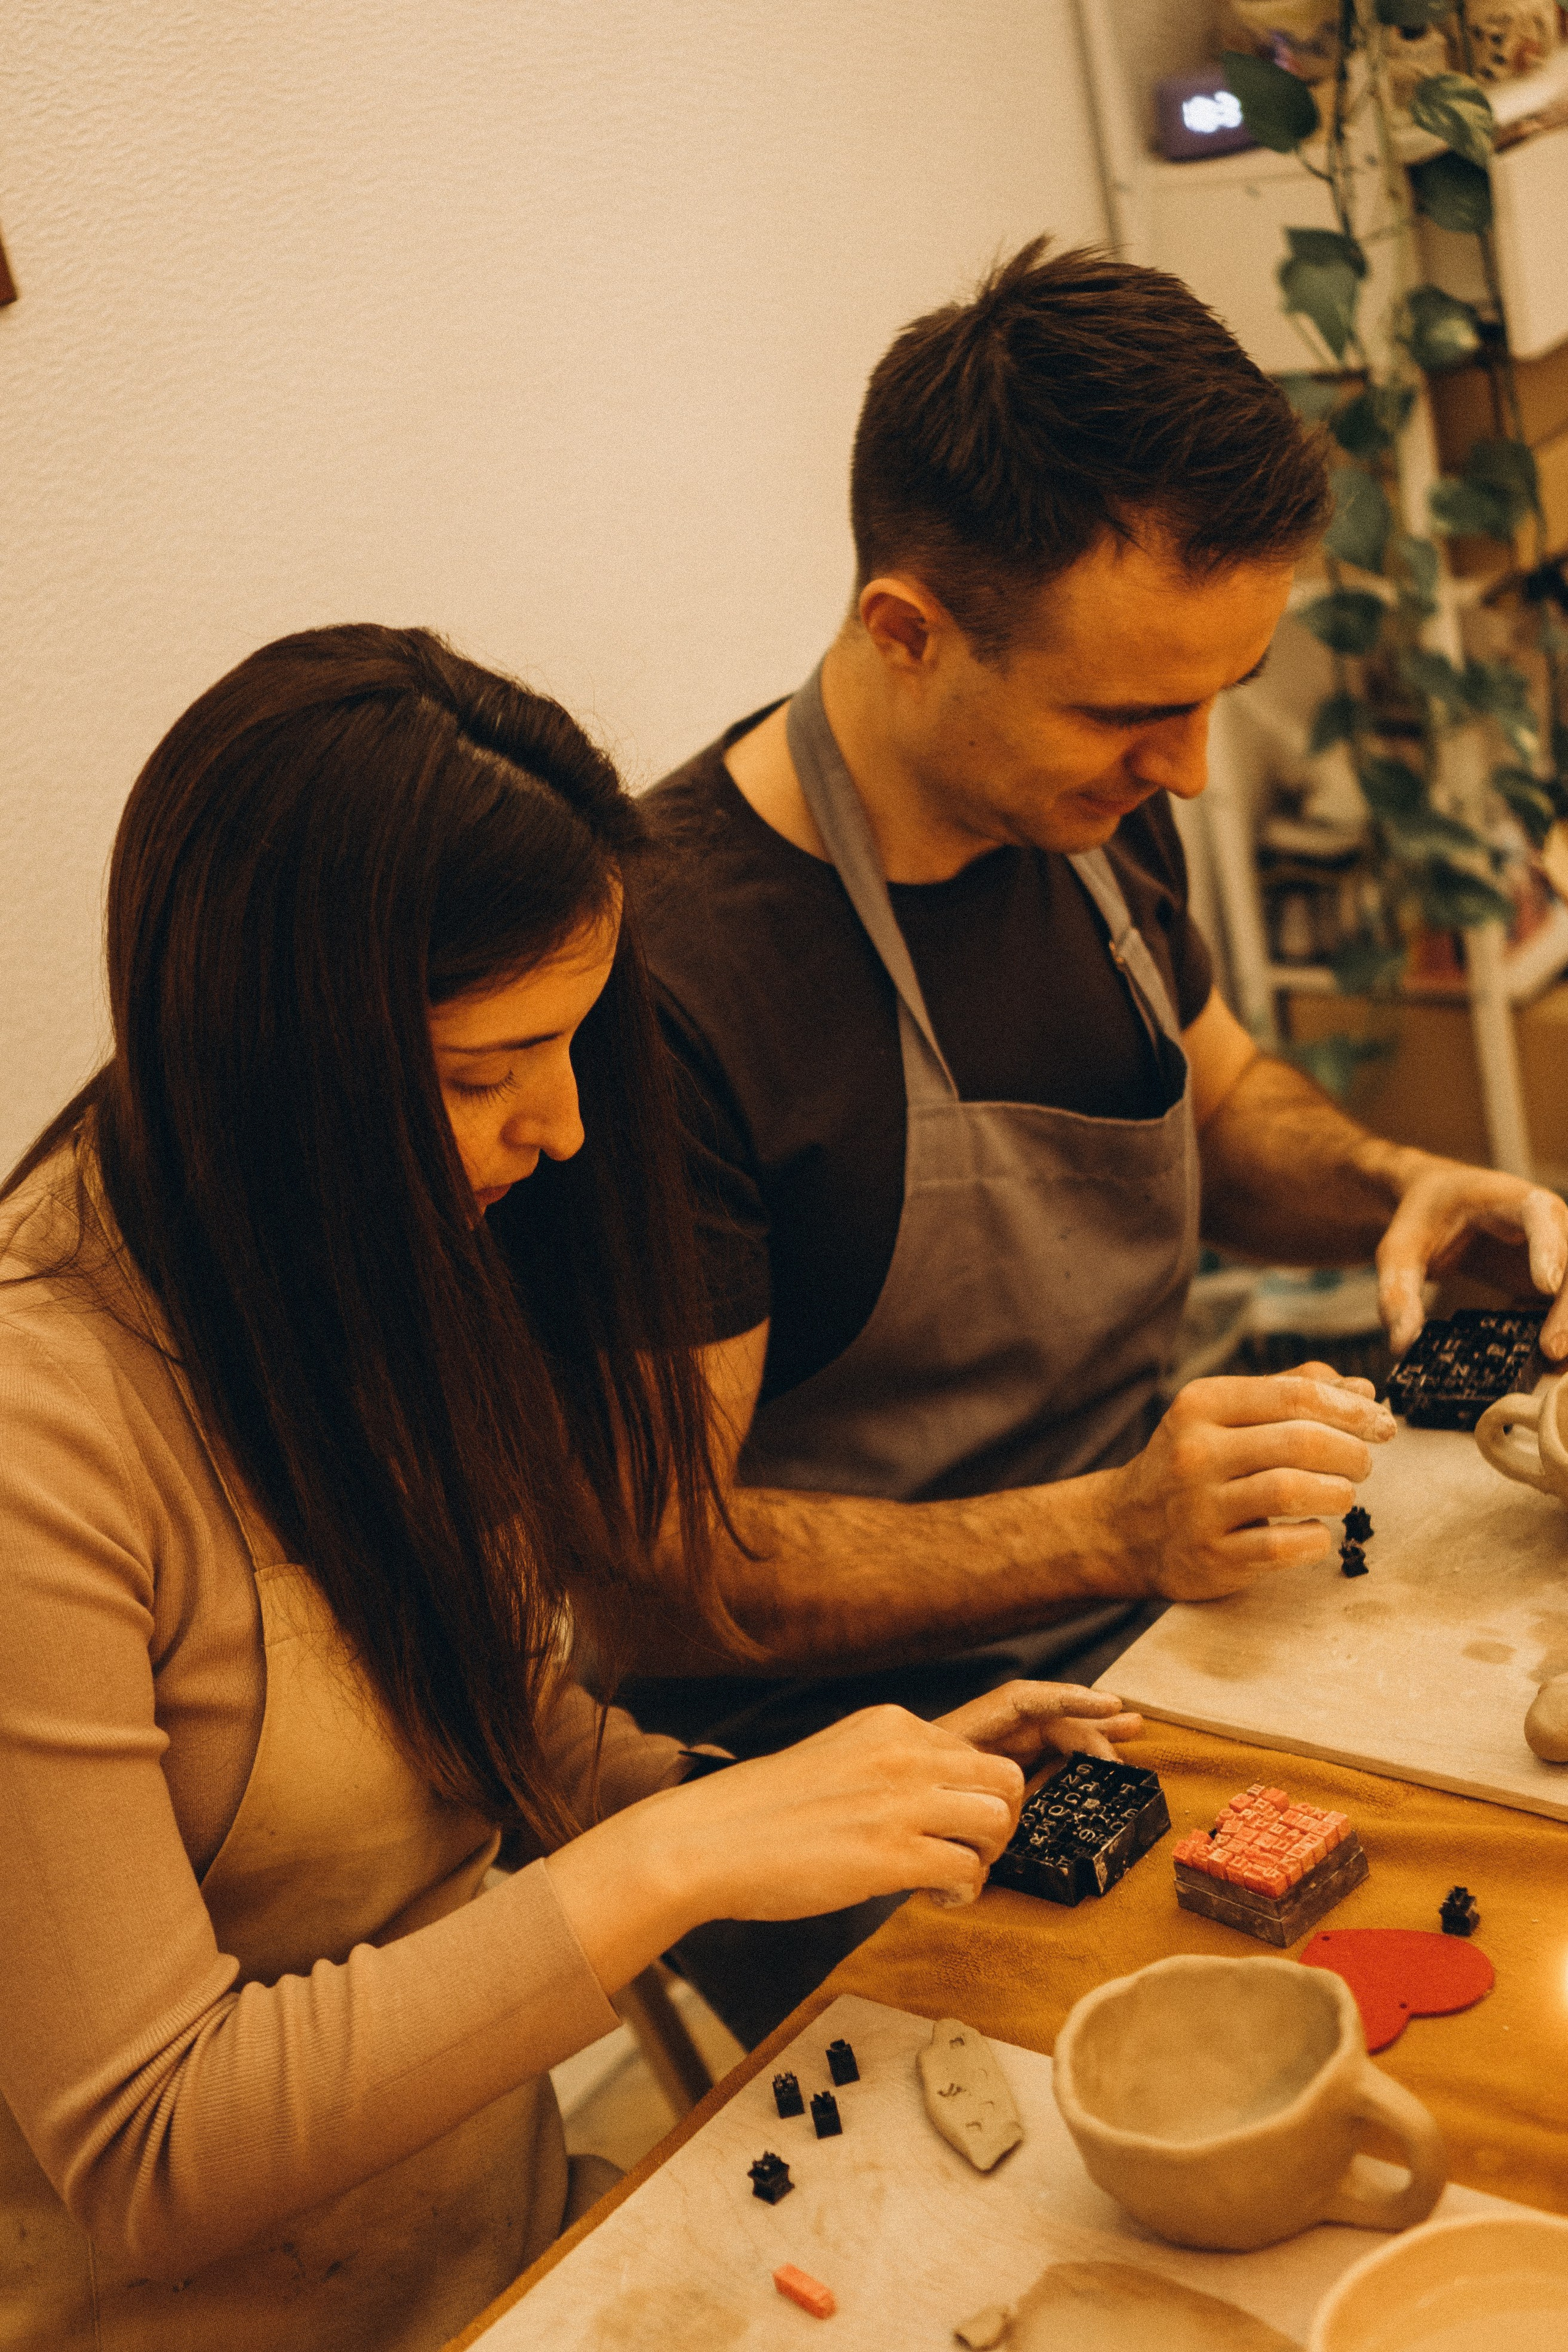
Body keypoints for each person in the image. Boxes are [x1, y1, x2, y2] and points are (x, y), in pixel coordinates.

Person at [0, 624, 1140, 2352]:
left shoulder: (358, 1254)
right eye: (481, 1075)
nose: (563, 1132)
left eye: (572, 1048)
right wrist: (675, 1861)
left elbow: (504, 1733)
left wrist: (810, 1800)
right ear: (278, 1068)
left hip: (513, 2270)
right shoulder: (42, 1446)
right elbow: (157, 2146)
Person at [623, 242, 1568, 2028]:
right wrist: (1109, 1530)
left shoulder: (1091, 810)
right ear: (907, 631)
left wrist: (1401, 1193)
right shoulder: (670, 983)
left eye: (1219, 696)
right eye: (1136, 713)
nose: (1196, 773)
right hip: (875, 1783)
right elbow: (662, 1577)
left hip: (1166, 1642)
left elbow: (1215, 1101)